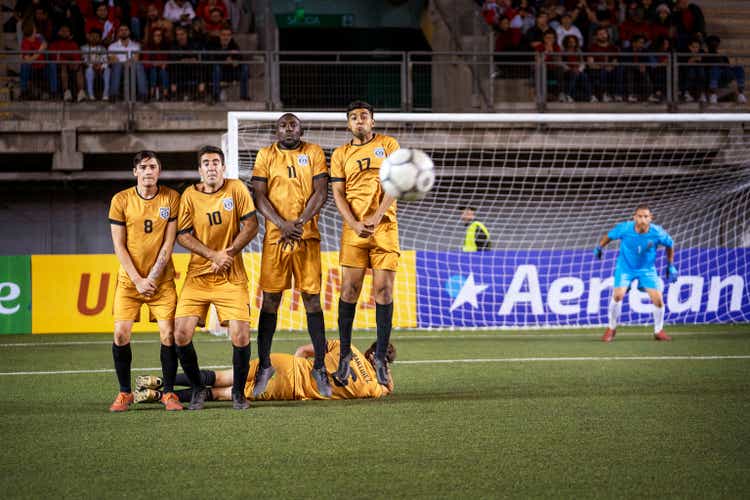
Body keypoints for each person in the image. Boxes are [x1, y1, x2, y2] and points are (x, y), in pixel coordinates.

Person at [251, 113, 331, 397]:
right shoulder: (265, 155)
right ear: (276, 131)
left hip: (306, 237)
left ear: (301, 129)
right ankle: (264, 365)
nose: (288, 129)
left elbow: (321, 192)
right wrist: (282, 224)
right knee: (271, 298)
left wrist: (298, 223)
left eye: (292, 124)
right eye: (283, 125)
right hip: (276, 238)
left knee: (311, 298)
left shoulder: (314, 152)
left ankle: (320, 366)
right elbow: (258, 195)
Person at [174, 145, 259, 410]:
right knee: (180, 335)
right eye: (206, 163)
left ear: (223, 167)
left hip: (232, 276)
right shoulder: (189, 195)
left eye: (216, 163)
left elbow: (252, 225)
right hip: (198, 276)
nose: (211, 167)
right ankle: (198, 388)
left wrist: (228, 253)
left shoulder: (236, 189)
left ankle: (238, 394)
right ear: (200, 170)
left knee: (241, 336)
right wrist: (213, 256)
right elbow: (182, 235)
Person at [330, 100, 400, 387]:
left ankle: (381, 356)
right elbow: (337, 193)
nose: (359, 121)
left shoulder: (389, 145)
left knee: (383, 291)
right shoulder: (340, 154)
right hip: (354, 231)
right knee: (349, 290)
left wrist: (377, 215)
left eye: (364, 116)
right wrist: (356, 223)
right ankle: (345, 355)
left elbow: (397, 182)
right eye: (354, 117)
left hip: (384, 228)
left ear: (373, 121)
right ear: (348, 123)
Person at [107, 150, 182, 412]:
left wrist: (151, 277)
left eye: (152, 166)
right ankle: (125, 393)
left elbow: (169, 243)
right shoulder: (121, 200)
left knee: (169, 334)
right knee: (120, 334)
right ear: (135, 172)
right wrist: (138, 279)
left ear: (159, 171)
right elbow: (118, 245)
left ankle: (170, 394)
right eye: (143, 167)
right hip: (130, 283)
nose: (148, 171)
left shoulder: (171, 198)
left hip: (161, 283)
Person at [134, 340, 395, 404]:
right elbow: (389, 388)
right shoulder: (372, 388)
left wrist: (297, 363)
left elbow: (308, 348)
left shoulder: (348, 346)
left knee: (224, 376)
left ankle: (160, 382)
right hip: (289, 388)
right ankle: (158, 398)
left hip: (284, 364)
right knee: (221, 394)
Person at [594, 204, 677, 342]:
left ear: (650, 218)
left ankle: (658, 331)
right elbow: (608, 236)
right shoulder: (625, 228)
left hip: (647, 269)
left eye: (645, 216)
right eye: (639, 216)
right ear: (634, 217)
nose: (642, 219)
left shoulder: (657, 232)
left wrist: (670, 265)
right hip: (625, 268)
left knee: (658, 300)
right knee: (618, 295)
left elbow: (670, 244)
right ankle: (611, 328)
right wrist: (599, 247)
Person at [206, 26, 249, 101]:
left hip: (231, 72)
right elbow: (211, 58)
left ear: (231, 36)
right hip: (218, 72)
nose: (226, 37)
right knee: (216, 67)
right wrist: (225, 60)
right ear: (220, 35)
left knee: (244, 67)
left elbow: (240, 57)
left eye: (228, 35)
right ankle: (215, 95)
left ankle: (244, 96)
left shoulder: (234, 45)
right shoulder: (214, 44)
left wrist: (236, 62)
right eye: (223, 35)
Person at [107, 24, 148, 101]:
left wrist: (126, 62)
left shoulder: (136, 45)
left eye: (126, 30)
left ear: (129, 32)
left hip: (132, 68)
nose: (123, 32)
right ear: (118, 33)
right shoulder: (112, 46)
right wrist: (126, 62)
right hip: (119, 69)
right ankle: (113, 94)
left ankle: (143, 94)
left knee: (138, 65)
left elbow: (136, 58)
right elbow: (113, 60)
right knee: (117, 65)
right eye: (121, 30)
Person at [704, 35, 746, 105]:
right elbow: (705, 69)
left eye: (716, 43)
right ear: (708, 44)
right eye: (712, 43)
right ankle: (713, 94)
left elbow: (727, 67)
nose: (714, 45)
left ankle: (740, 93)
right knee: (715, 67)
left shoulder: (722, 56)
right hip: (712, 76)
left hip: (724, 74)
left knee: (738, 67)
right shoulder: (704, 55)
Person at [49, 24, 86, 102]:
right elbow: (54, 57)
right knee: (64, 65)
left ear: (70, 33)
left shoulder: (73, 44)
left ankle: (81, 92)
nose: (65, 32)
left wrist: (74, 63)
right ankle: (66, 92)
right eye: (63, 31)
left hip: (72, 65)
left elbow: (77, 56)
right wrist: (67, 61)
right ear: (58, 32)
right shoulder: (54, 44)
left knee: (79, 67)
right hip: (60, 66)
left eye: (67, 31)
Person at [81, 27, 109, 101]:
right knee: (89, 70)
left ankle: (105, 95)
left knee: (107, 70)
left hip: (100, 68)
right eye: (92, 36)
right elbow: (84, 60)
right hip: (89, 67)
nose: (94, 38)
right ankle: (90, 95)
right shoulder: (83, 48)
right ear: (89, 37)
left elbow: (105, 59)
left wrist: (101, 66)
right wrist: (92, 66)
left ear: (100, 39)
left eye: (96, 37)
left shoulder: (103, 48)